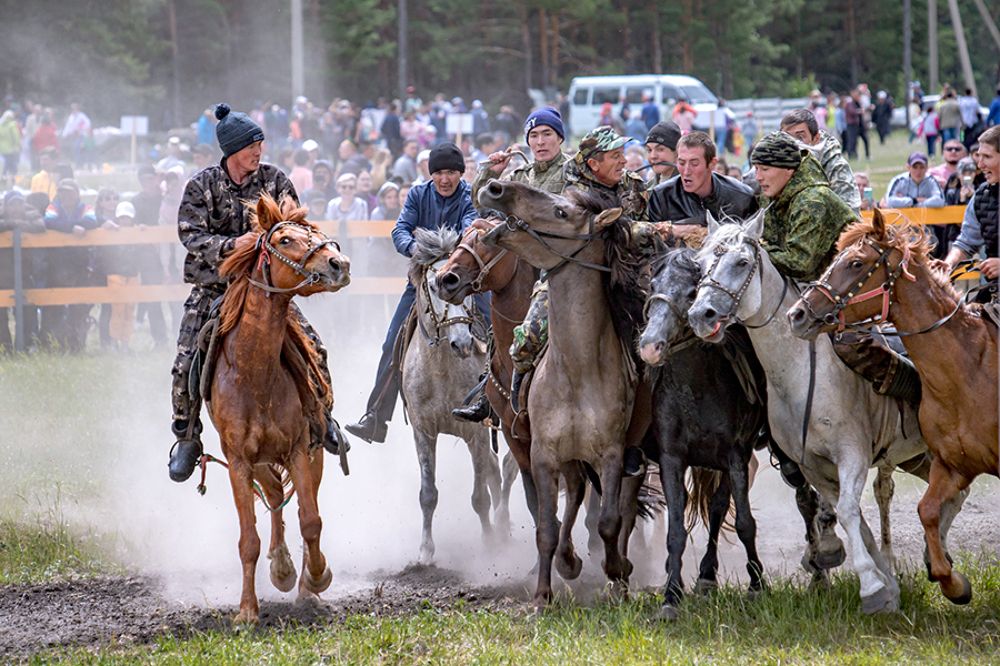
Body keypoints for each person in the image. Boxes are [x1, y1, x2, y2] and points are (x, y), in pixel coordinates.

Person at [167, 103, 347, 483]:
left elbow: (295, 223)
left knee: (314, 346)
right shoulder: (202, 186)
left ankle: (324, 418)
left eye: (260, 144)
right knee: (186, 360)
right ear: (232, 150)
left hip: (267, 290)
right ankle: (187, 437)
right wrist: (234, 246)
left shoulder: (275, 179)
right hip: (214, 287)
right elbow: (190, 235)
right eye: (251, 146)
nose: (258, 151)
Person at [345, 143, 487, 443]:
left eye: (450, 172)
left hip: (464, 282)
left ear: (460, 173)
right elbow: (400, 229)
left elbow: (470, 226)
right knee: (392, 342)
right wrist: (416, 250)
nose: (444, 178)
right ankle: (376, 417)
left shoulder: (469, 195)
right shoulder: (418, 194)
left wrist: (451, 251)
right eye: (438, 172)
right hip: (422, 282)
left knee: (493, 332)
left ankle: (500, 406)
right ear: (430, 173)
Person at [453, 108, 571, 423]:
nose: (540, 141)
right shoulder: (520, 176)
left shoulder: (572, 172)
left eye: (547, 134)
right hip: (523, 266)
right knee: (501, 319)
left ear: (559, 137)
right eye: (534, 135)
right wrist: (490, 172)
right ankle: (491, 392)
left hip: (562, 265)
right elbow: (482, 201)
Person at [647, 131, 758, 246]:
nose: (686, 171)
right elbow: (651, 246)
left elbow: (754, 246)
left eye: (694, 164)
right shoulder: (661, 196)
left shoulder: (742, 197)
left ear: (712, 164)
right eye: (681, 163)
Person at [941, 126, 1000, 301]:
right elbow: (966, 242)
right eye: (979, 156)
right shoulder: (982, 196)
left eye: (987, 157)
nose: (979, 165)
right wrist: (948, 264)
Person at [41, 179, 98, 352]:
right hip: (56, 264)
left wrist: (75, 226)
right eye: (63, 192)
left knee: (79, 307)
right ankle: (53, 344)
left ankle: (76, 344)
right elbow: (49, 221)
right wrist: (74, 228)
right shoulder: (53, 206)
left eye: (70, 192)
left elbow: (92, 221)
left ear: (77, 193)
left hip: (79, 264)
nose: (66, 195)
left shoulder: (85, 207)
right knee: (55, 306)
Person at [780, 108, 861, 213]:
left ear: (816, 138)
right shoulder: (775, 160)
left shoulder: (834, 165)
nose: (794, 144)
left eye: (800, 137)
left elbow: (850, 211)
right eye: (787, 137)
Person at [0, 191, 44, 352]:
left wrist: (19, 224)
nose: (16, 207)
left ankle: (27, 346)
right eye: (12, 204)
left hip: (25, 272)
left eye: (19, 203)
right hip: (2, 273)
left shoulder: (31, 213)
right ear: (6, 205)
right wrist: (14, 224)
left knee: (28, 310)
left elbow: (41, 226)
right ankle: (4, 348)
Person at [644, 120, 681, 187]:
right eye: (649, 150)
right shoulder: (647, 188)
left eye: (660, 149)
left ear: (677, 152)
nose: (653, 156)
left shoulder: (687, 188)